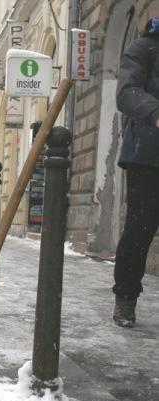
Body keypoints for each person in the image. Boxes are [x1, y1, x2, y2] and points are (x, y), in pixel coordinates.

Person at [113, 17, 159, 328]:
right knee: (140, 229)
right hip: (148, 155)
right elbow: (126, 92)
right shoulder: (144, 48)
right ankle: (126, 298)